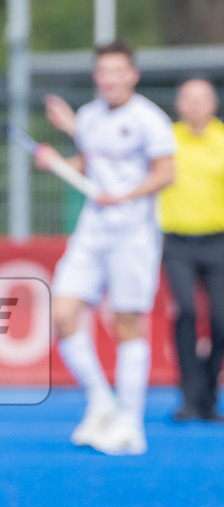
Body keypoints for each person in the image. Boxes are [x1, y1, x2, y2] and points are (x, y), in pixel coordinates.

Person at [36, 40, 175, 456]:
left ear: (132, 75)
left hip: (133, 233)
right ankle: (101, 401)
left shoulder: (150, 119)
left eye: (118, 71)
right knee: (62, 313)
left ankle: (131, 425)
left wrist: (127, 194)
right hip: (91, 231)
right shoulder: (90, 117)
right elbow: (88, 163)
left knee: (126, 322)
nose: (110, 79)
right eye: (103, 72)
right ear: (97, 76)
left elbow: (166, 172)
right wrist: (55, 162)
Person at [159, 79, 224, 422]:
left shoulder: (223, 140)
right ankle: (188, 396)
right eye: (188, 99)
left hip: (219, 243)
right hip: (178, 244)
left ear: (213, 104)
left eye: (202, 99)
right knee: (184, 312)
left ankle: (209, 394)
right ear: (179, 105)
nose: (195, 105)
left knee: (221, 320)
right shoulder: (165, 140)